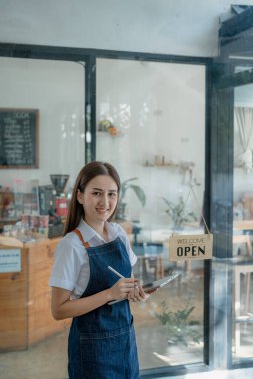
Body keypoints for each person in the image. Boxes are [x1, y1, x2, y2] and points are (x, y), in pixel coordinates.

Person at [49, 161, 146, 379]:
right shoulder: (71, 245)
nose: (105, 201)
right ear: (80, 196)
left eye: (112, 194)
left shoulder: (119, 234)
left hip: (125, 342)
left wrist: (136, 289)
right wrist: (110, 294)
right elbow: (58, 310)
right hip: (92, 351)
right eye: (97, 193)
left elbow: (126, 281)